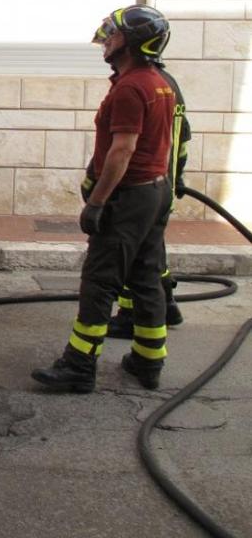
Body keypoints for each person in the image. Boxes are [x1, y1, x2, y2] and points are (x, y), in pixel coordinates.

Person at [32, 5, 176, 393]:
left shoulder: (131, 88)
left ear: (129, 42)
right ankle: (148, 360)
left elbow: (122, 150)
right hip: (155, 192)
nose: (106, 40)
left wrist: (97, 201)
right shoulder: (157, 81)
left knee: (100, 281)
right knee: (145, 276)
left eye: (112, 34)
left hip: (129, 197)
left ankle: (79, 366)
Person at [99, 53, 192, 339]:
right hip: (162, 184)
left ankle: (144, 312)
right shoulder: (167, 83)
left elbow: (125, 147)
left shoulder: (140, 85)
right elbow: (183, 137)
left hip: (142, 187)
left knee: (135, 258)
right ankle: (162, 308)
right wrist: (177, 178)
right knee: (149, 255)